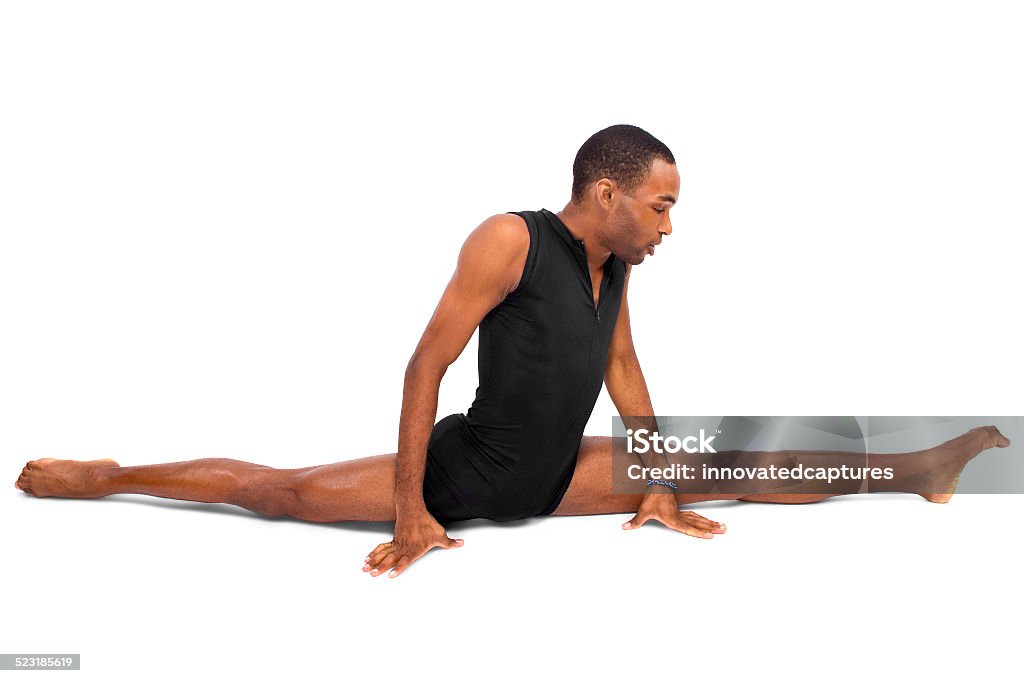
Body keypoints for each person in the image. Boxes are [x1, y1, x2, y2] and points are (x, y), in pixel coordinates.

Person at [13, 124, 1011, 578]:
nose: (670, 221)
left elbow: (621, 371)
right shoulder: (511, 237)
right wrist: (411, 502)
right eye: (662, 202)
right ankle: (110, 472)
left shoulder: (618, 266)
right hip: (466, 468)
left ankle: (914, 466)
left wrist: (656, 480)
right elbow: (424, 366)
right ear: (610, 190)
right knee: (275, 491)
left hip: (555, 477)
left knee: (735, 464)